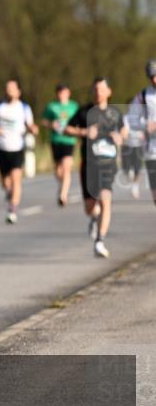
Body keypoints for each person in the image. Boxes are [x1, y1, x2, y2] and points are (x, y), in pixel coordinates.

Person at [66, 78, 127, 259]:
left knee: (106, 200)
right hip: (88, 164)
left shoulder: (115, 112)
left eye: (101, 89)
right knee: (90, 207)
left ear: (109, 92)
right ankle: (94, 218)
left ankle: (100, 241)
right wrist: (84, 132)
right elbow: (67, 128)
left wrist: (119, 137)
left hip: (107, 163)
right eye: (95, 89)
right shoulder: (84, 111)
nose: (98, 93)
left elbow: (124, 131)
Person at [0, 79, 38, 224]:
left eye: (12, 88)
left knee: (16, 179)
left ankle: (12, 209)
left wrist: (33, 129)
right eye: (7, 88)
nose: (9, 90)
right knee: (5, 182)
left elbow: (30, 124)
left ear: (18, 91)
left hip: (17, 147)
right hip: (2, 147)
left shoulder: (24, 107)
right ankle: (9, 193)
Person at [41, 84, 79, 207]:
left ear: (68, 93)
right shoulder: (51, 106)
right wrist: (51, 124)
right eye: (59, 92)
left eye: (64, 92)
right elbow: (43, 121)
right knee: (58, 170)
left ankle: (63, 194)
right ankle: (62, 185)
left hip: (69, 140)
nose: (61, 95)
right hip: (56, 140)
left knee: (66, 166)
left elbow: (80, 121)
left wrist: (76, 130)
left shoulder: (74, 106)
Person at [126, 59, 156, 207]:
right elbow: (131, 118)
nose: (155, 79)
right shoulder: (143, 96)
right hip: (152, 152)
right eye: (152, 77)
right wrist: (145, 125)